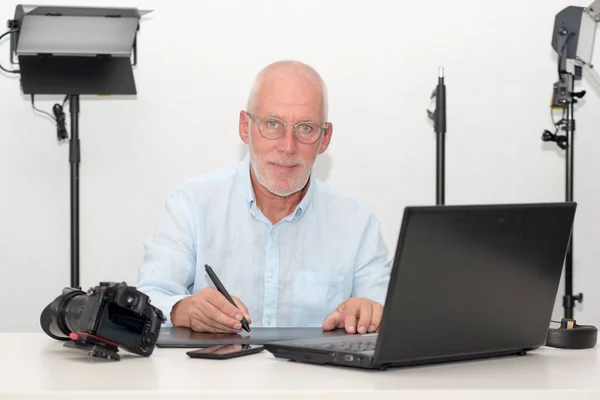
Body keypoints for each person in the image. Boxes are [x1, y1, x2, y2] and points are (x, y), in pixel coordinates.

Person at [136, 60, 392, 335]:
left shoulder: (357, 223)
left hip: (318, 378)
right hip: (214, 376)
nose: (288, 146)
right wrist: (183, 309)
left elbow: (384, 309)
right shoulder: (191, 204)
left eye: (305, 128)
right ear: (245, 127)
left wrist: (370, 313)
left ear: (325, 138)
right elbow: (149, 298)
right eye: (272, 124)